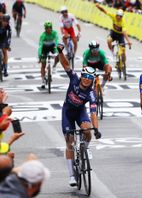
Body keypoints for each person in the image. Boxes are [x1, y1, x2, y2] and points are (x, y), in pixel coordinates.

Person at [57, 43, 102, 187]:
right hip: (68, 113)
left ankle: (86, 147)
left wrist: (96, 129)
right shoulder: (74, 80)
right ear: (82, 76)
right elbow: (65, 65)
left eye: (90, 78)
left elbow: (93, 113)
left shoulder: (91, 93)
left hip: (80, 113)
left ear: (92, 80)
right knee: (69, 141)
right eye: (85, 76)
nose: (87, 79)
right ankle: (71, 175)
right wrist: (60, 52)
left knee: (87, 131)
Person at [38, 21, 59, 89]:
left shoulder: (54, 33)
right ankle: (43, 80)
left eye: (50, 28)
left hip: (52, 47)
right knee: (43, 65)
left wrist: (56, 51)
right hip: (44, 49)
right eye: (47, 28)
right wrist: (40, 55)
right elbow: (40, 46)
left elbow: (56, 41)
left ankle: (54, 66)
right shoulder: (43, 35)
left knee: (59, 54)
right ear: (45, 28)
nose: (49, 29)